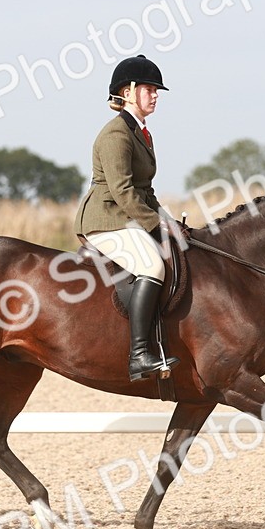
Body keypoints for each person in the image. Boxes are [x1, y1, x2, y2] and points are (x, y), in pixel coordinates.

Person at [74, 54, 180, 382]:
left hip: (127, 216)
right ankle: (139, 355)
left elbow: (145, 191)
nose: (155, 94)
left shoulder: (141, 133)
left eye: (156, 89)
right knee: (153, 265)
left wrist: (169, 223)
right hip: (106, 218)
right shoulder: (116, 135)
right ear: (129, 91)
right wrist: (154, 225)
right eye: (149, 88)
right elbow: (122, 192)